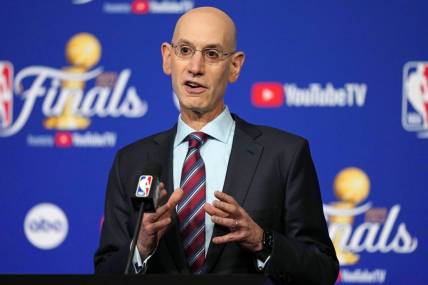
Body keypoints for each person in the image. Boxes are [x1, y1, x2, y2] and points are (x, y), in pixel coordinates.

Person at [94, 6, 339, 284]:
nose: (195, 68)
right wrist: (139, 249)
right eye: (184, 50)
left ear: (234, 66)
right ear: (167, 58)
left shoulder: (284, 155)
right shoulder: (131, 161)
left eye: (211, 54)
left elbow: (322, 270)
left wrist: (262, 240)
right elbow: (105, 272)